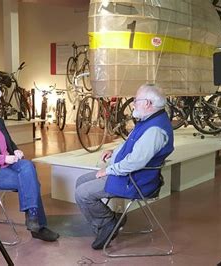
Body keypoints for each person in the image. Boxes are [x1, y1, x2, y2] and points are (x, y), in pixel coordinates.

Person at [74, 84, 174, 250]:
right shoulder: (148, 120)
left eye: (136, 100)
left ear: (148, 103)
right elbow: (132, 144)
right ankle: (107, 221)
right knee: (81, 181)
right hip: (129, 174)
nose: (133, 103)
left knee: (82, 193)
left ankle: (107, 222)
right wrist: (114, 152)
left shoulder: (154, 130)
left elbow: (135, 162)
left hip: (136, 180)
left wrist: (108, 170)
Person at [0, 83, 59, 242]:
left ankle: (34, 219)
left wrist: (15, 150)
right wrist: (3, 159)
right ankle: (37, 224)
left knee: (28, 166)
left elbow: (9, 143)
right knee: (31, 181)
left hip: (11, 163)